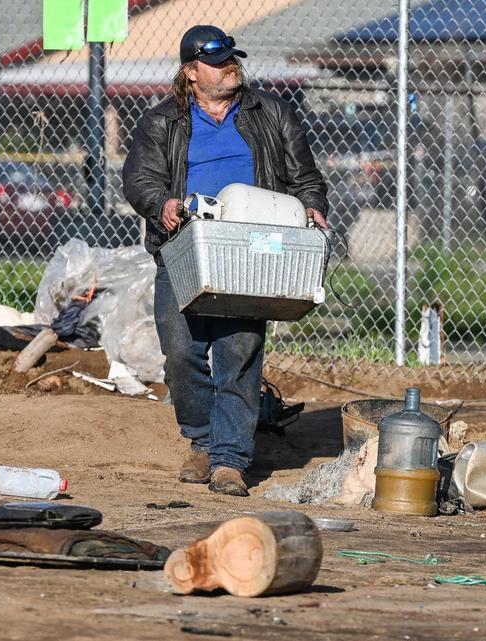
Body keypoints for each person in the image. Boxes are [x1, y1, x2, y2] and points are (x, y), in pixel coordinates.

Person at [122, 25, 328, 497]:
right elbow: (140, 180)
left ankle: (229, 460)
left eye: (232, 59)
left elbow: (304, 176)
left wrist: (312, 205)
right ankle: (202, 439)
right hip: (185, 244)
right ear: (190, 72)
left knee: (238, 352)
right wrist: (163, 204)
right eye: (216, 63)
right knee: (181, 353)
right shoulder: (162, 122)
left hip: (252, 246)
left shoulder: (271, 113)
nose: (229, 67)